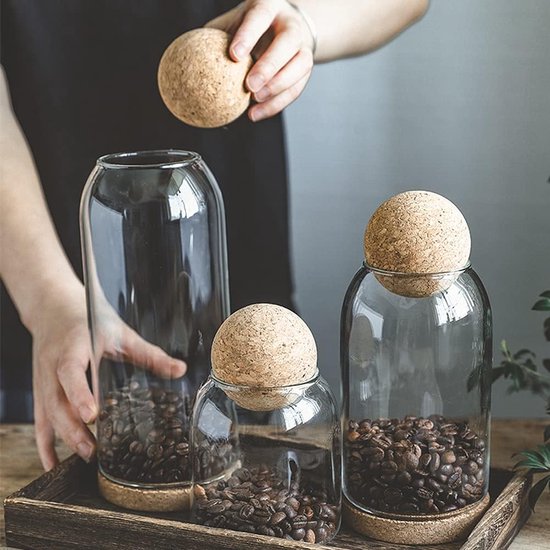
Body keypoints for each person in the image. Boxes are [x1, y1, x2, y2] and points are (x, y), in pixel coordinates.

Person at [0, 0, 429, 470]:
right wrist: (48, 301)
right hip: (42, 287)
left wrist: (302, 23)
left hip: (234, 290)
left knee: (263, 485)